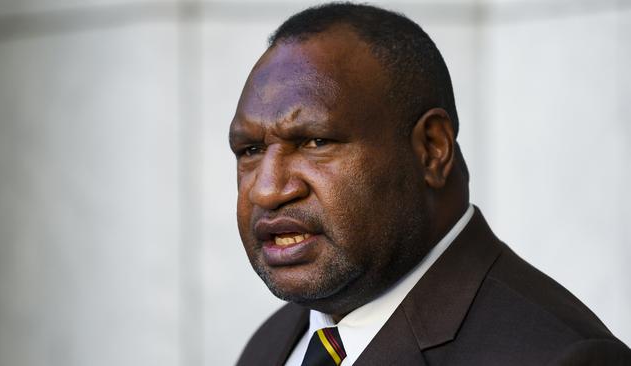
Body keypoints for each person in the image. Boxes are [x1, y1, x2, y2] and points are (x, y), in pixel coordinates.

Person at [228, 3, 631, 365]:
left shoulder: (560, 356)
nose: (267, 189)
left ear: (432, 149)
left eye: (316, 142)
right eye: (249, 150)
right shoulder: (274, 343)